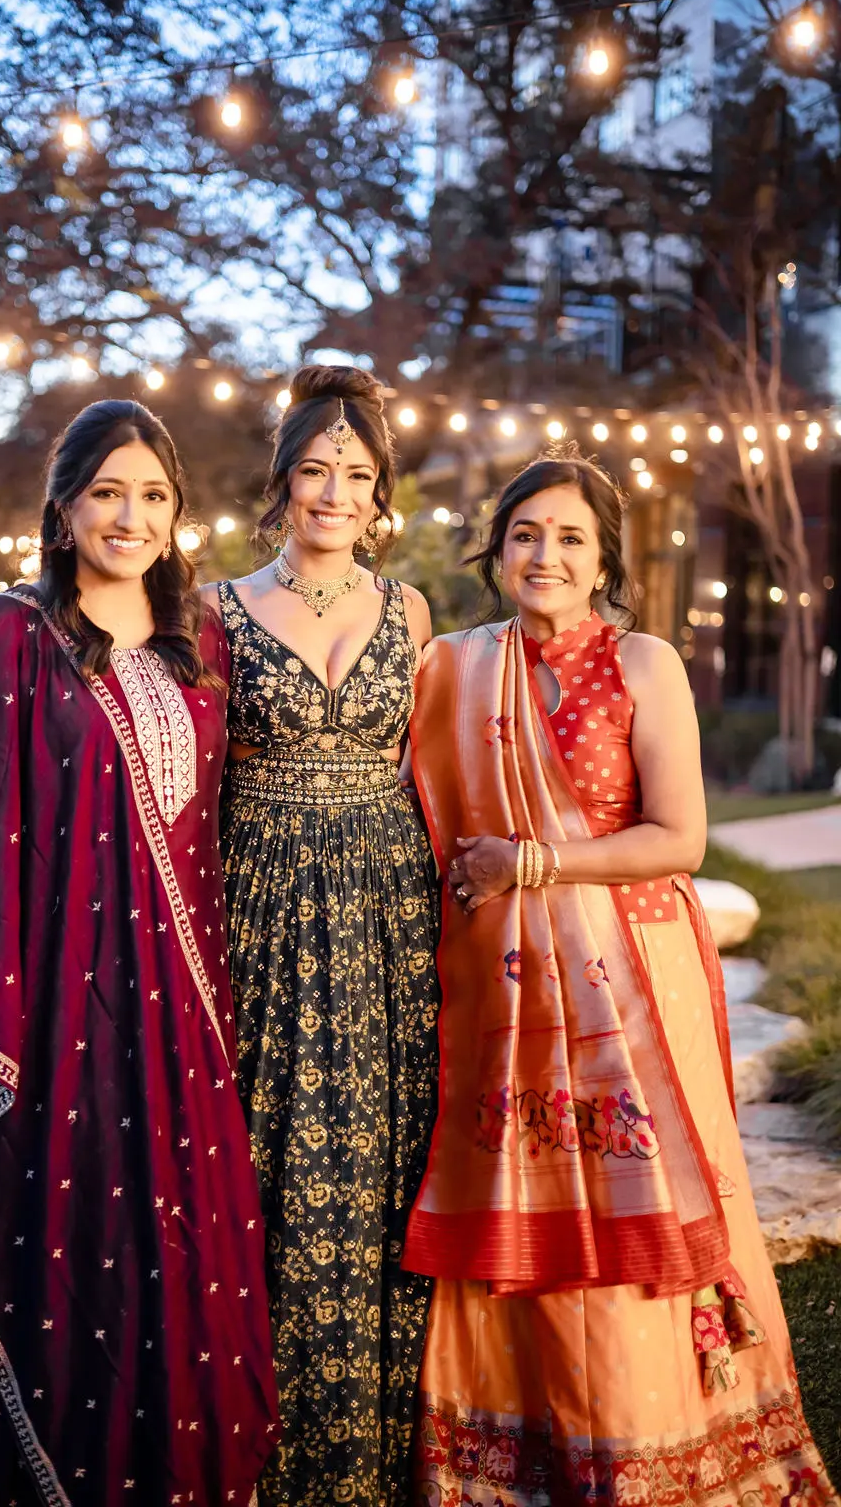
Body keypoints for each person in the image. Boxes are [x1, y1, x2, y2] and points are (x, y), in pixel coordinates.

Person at [0, 399, 278, 1507]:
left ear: (177, 512)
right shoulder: (9, 632)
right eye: (106, 493)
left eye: (153, 496)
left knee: (163, 1240)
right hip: (43, 1003)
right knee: (47, 1235)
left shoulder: (201, 644)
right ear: (63, 506)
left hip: (174, 1007)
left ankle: (159, 1468)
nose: (130, 518)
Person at [404, 449, 837, 1507]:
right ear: (495, 551)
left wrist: (531, 862)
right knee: (527, 1187)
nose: (544, 555)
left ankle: (664, 1441)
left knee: (641, 1192)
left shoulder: (644, 662)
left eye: (570, 537)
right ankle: (521, 1443)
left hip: (638, 973)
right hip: (509, 981)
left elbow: (678, 837)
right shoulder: (457, 668)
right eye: (524, 534)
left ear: (604, 560)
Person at [200, 364, 440, 1507]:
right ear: (281, 482)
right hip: (262, 908)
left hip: (389, 916)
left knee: (383, 1161)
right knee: (269, 1159)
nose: (334, 492)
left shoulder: (413, 612)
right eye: (313, 470)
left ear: (379, 489)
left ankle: (373, 1459)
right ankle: (262, 1450)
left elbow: (436, 767)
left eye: (354, 472)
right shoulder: (217, 610)